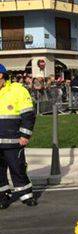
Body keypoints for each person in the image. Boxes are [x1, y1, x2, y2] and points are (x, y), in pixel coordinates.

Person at [0, 64, 37, 208]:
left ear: (1, 75)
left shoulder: (18, 90)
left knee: (18, 169)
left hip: (14, 140)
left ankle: (26, 196)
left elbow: (29, 116)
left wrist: (25, 136)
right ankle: (3, 197)